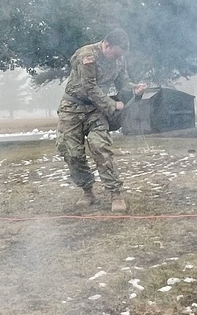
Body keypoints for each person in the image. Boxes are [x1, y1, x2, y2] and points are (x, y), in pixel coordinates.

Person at [57, 27, 146, 212]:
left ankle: (115, 194)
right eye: (114, 54)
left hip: (96, 110)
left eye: (120, 55)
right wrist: (113, 106)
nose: (117, 58)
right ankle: (87, 192)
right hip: (72, 108)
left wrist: (134, 88)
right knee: (72, 153)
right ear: (106, 45)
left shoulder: (119, 58)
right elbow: (89, 88)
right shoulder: (87, 55)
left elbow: (122, 82)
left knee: (100, 147)